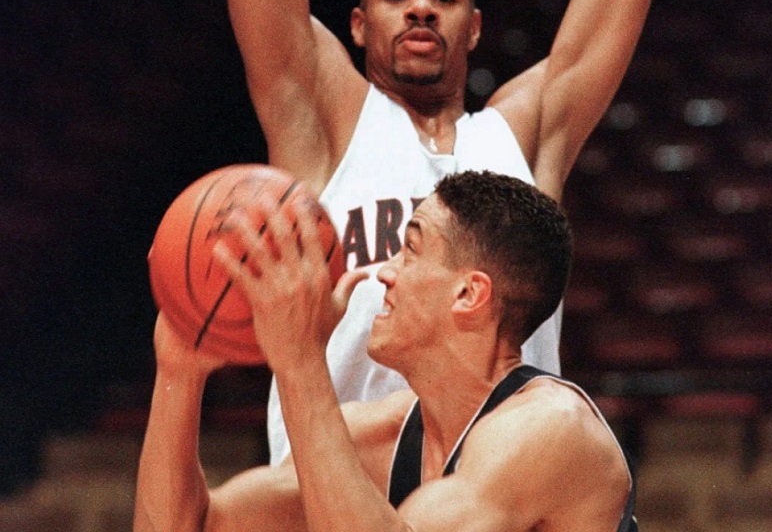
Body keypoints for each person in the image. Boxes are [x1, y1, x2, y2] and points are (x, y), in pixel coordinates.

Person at [211, 0, 679, 461]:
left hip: (498, 495)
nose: (422, 6)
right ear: (360, 27)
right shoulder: (323, 118)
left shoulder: (522, 139)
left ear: (476, 26)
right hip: (336, 495)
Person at [134, 170, 637, 532]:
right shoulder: (375, 438)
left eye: (410, 249)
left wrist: (300, 360)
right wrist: (179, 370)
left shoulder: (552, 430)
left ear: (468, 294)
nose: (385, 272)